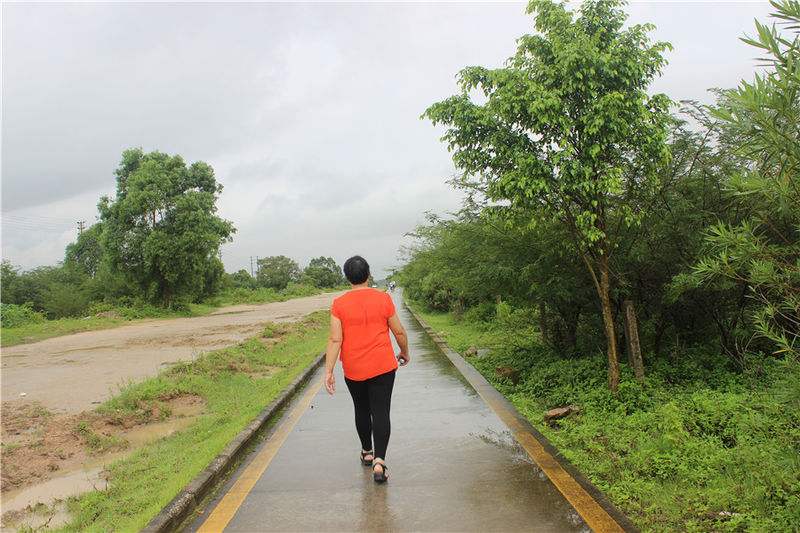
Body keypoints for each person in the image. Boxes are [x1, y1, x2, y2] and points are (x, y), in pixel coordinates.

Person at [324, 255, 409, 483]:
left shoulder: (339, 304)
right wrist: (404, 352)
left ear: (347, 278)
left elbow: (334, 340)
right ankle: (380, 461)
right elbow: (399, 331)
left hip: (353, 367)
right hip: (382, 365)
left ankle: (367, 452)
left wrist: (329, 370)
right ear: (369, 275)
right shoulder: (383, 299)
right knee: (381, 412)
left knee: (361, 409)